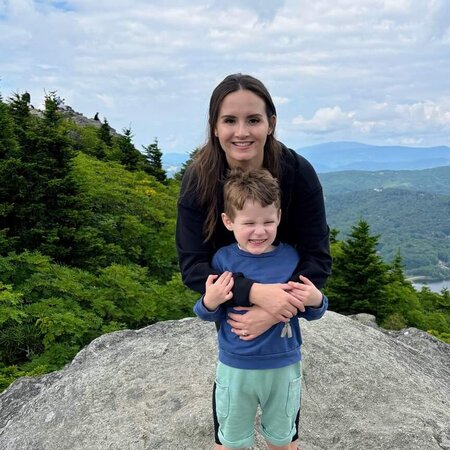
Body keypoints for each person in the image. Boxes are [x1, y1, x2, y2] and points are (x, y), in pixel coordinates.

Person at [176, 73, 332, 448]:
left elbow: (316, 258)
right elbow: (194, 266)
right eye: (229, 120)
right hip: (234, 305)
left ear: (271, 123)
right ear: (214, 127)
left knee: (283, 424)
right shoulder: (199, 180)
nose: (241, 131)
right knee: (231, 420)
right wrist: (254, 294)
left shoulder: (297, 173)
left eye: (253, 120)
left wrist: (280, 308)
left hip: (285, 306)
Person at [193, 168, 328, 449]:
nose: (260, 231)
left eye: (268, 221)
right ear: (228, 222)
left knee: (282, 438)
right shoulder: (222, 260)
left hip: (284, 366)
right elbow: (207, 312)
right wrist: (211, 300)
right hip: (236, 367)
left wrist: (316, 299)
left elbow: (312, 311)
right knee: (233, 441)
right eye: (249, 222)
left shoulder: (291, 258)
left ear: (279, 216)